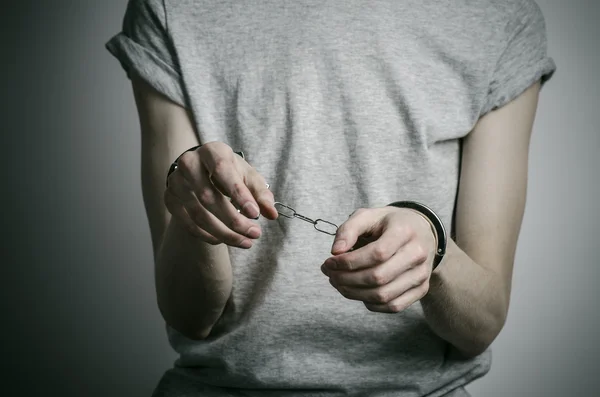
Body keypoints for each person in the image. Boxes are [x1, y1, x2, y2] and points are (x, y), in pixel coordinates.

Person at [106, 0, 555, 396]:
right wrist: (197, 215)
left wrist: (431, 244)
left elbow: (481, 324)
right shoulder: (172, 8)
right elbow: (189, 315)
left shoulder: (497, 16)